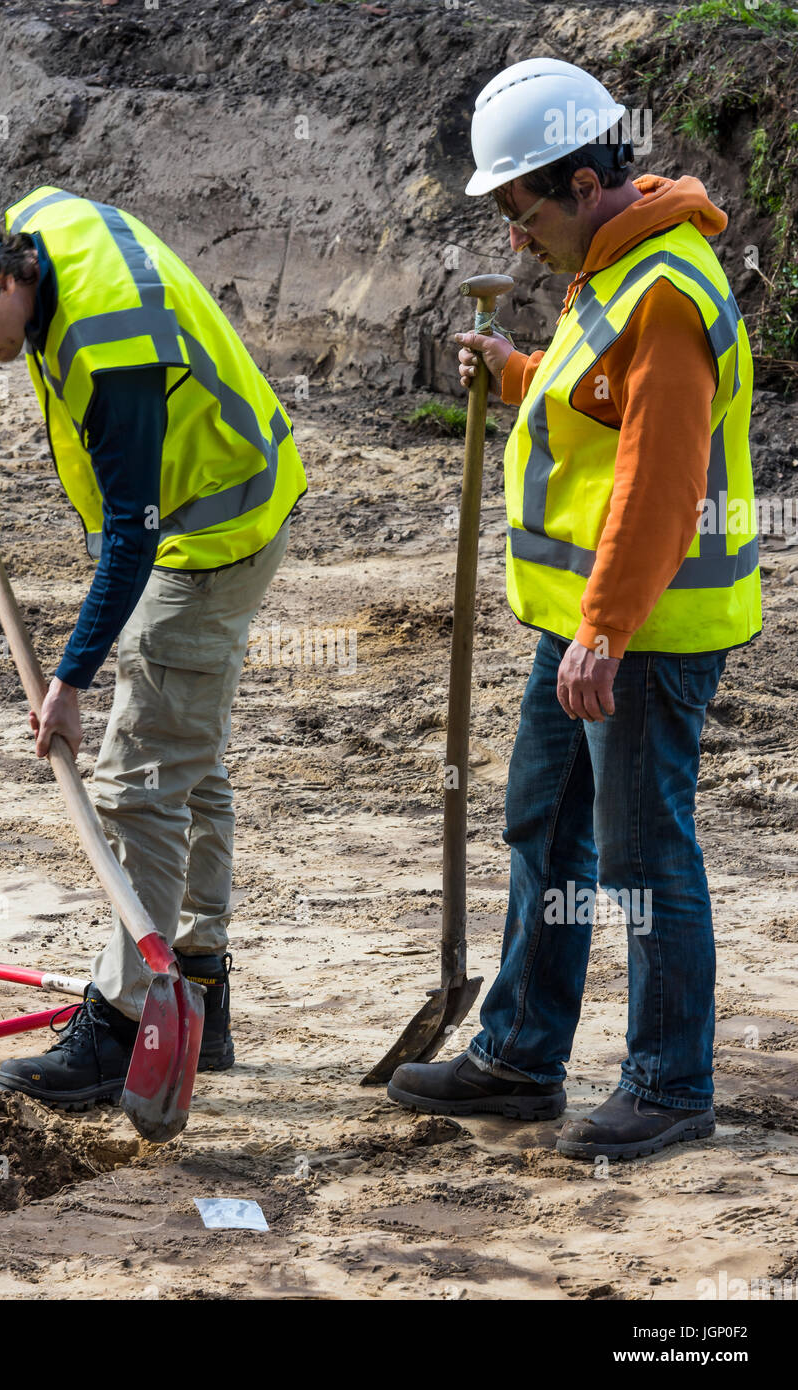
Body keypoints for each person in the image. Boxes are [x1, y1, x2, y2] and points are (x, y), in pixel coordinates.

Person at [387, 59, 760, 1160]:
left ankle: (668, 1082)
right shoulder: (614, 263)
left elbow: (657, 481)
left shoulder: (669, 293)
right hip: (585, 629)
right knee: (545, 826)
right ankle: (517, 1055)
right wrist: (513, 372)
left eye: (519, 206)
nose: (513, 236)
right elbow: (591, 396)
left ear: (587, 178)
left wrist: (602, 631)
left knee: (645, 860)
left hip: (642, 637)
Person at [0, 187, 307, 1106]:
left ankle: (119, 1021)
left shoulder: (110, 349)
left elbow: (130, 538)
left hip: (212, 527)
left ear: (2, 286)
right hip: (209, 491)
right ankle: (199, 989)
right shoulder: (45, 221)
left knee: (140, 775)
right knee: (191, 756)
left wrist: (69, 680)